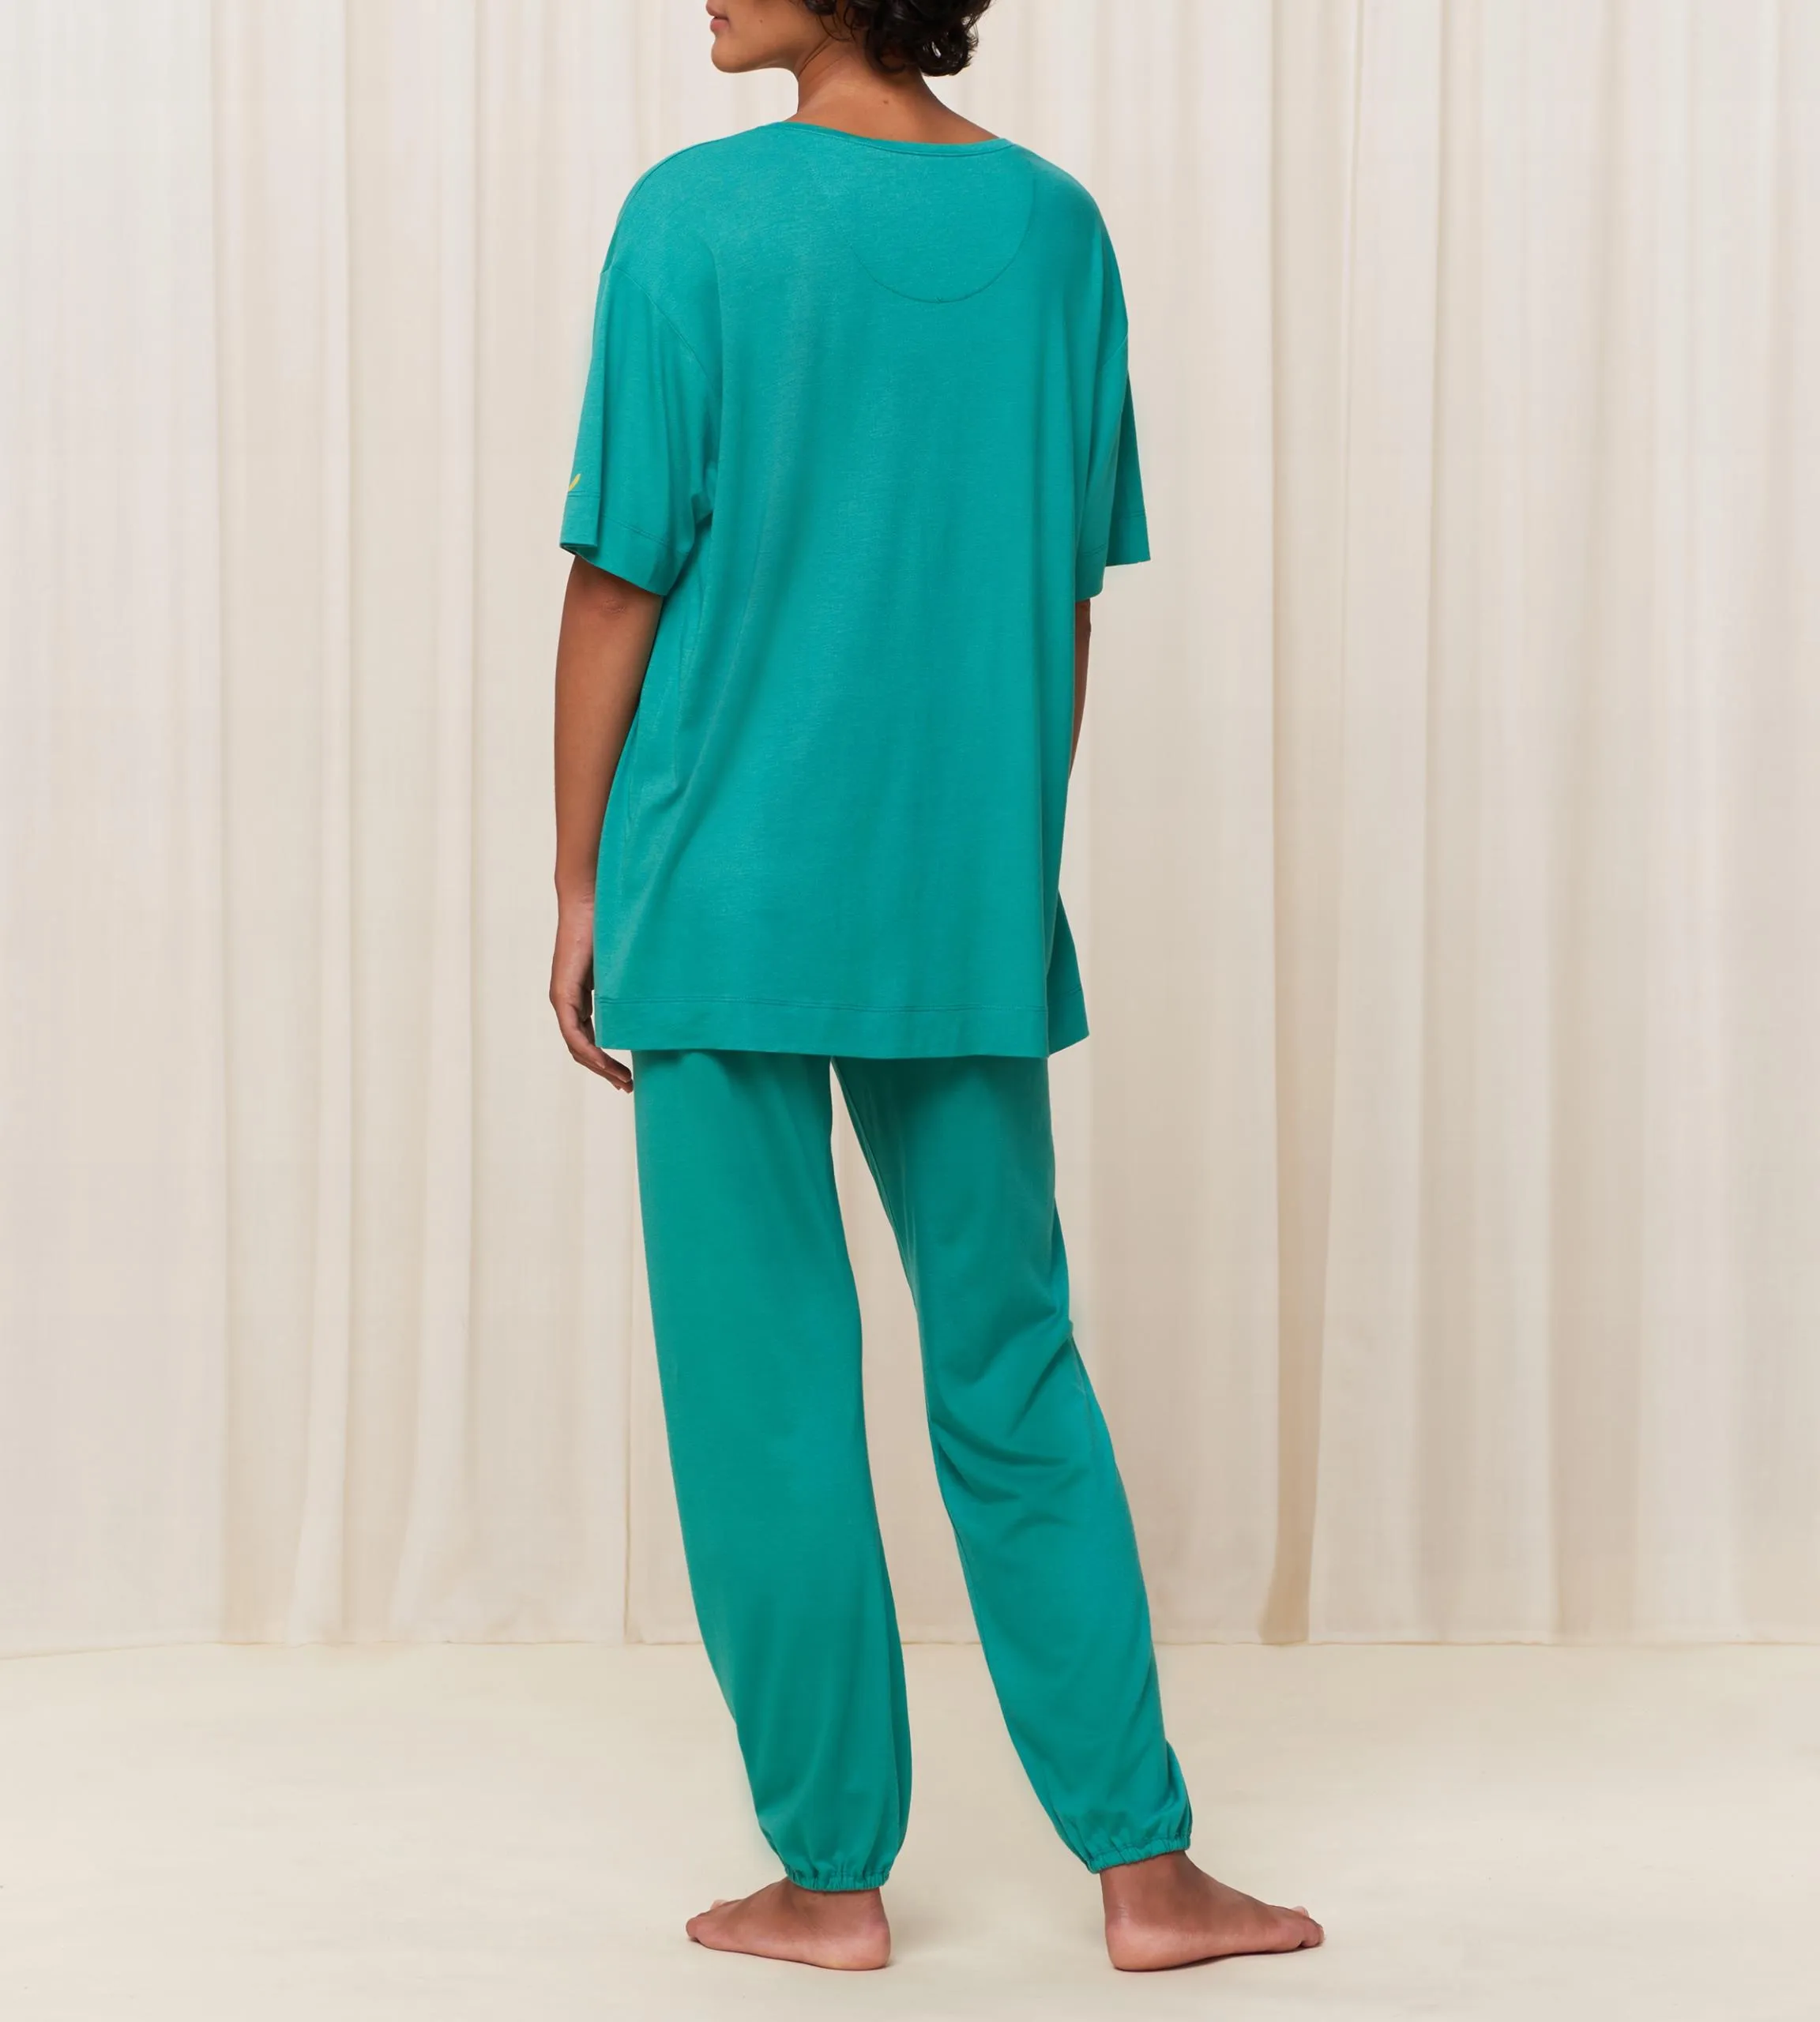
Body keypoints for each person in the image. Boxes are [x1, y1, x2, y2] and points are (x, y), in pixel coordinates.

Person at [548, 0, 1323, 1976]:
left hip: (714, 886)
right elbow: (1066, 597)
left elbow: (622, 573)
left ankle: (829, 1880)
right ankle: (1148, 1873)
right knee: (1011, 1363)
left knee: (766, 1388)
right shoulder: (1057, 229)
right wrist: (993, 868)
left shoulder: (693, 219)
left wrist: (575, 875)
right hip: (953, 893)